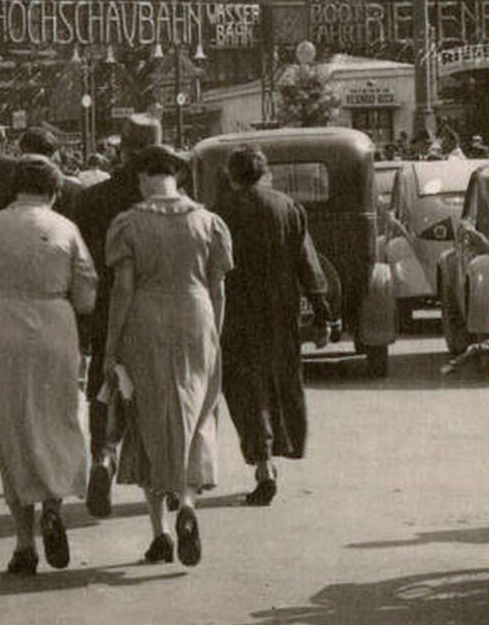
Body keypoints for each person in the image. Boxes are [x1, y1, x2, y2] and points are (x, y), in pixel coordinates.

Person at [0, 153, 97, 576]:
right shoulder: (66, 228)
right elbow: (86, 295)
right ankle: (53, 504)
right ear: (54, 190)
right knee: (56, 422)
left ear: (16, 187)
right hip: (55, 329)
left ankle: (24, 543)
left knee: (9, 432)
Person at [102, 142, 232, 567]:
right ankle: (190, 502)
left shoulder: (128, 223)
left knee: (147, 416)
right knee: (197, 413)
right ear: (177, 176)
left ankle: (159, 532)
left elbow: (122, 289)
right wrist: (215, 332)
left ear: (142, 178)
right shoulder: (209, 222)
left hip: (146, 319)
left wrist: (111, 345)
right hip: (197, 317)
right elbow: (218, 287)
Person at [215, 144, 333, 505]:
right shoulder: (287, 207)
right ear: (263, 171)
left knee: (245, 387)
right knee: (280, 381)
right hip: (281, 311)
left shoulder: (220, 213)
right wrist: (322, 311)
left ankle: (262, 460)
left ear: (232, 176)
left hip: (235, 311)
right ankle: (278, 446)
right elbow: (308, 263)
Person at [76, 114, 162, 517]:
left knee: (106, 386)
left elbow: (80, 263)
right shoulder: (175, 202)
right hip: (160, 310)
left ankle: (104, 457)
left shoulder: (93, 199)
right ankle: (163, 478)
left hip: (107, 306)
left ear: (121, 151)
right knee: (158, 390)